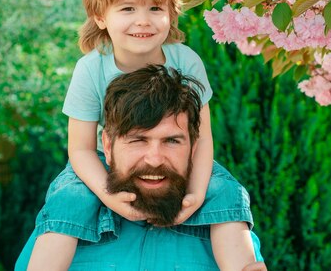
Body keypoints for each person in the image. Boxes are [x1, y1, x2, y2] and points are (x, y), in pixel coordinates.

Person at [27, 0, 256, 270]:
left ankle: (243, 266)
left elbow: (202, 139)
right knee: (70, 200)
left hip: (177, 159)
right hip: (103, 161)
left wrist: (197, 192)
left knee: (227, 191)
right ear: (100, 16)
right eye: (128, 8)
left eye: (155, 8)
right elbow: (79, 148)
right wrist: (107, 196)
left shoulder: (186, 61)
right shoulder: (90, 69)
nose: (143, 20)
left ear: (171, 14)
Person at [16, 66, 266, 270]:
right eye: (138, 140)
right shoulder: (65, 222)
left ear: (193, 148)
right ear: (108, 146)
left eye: (171, 141)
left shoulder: (226, 227)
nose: (155, 159)